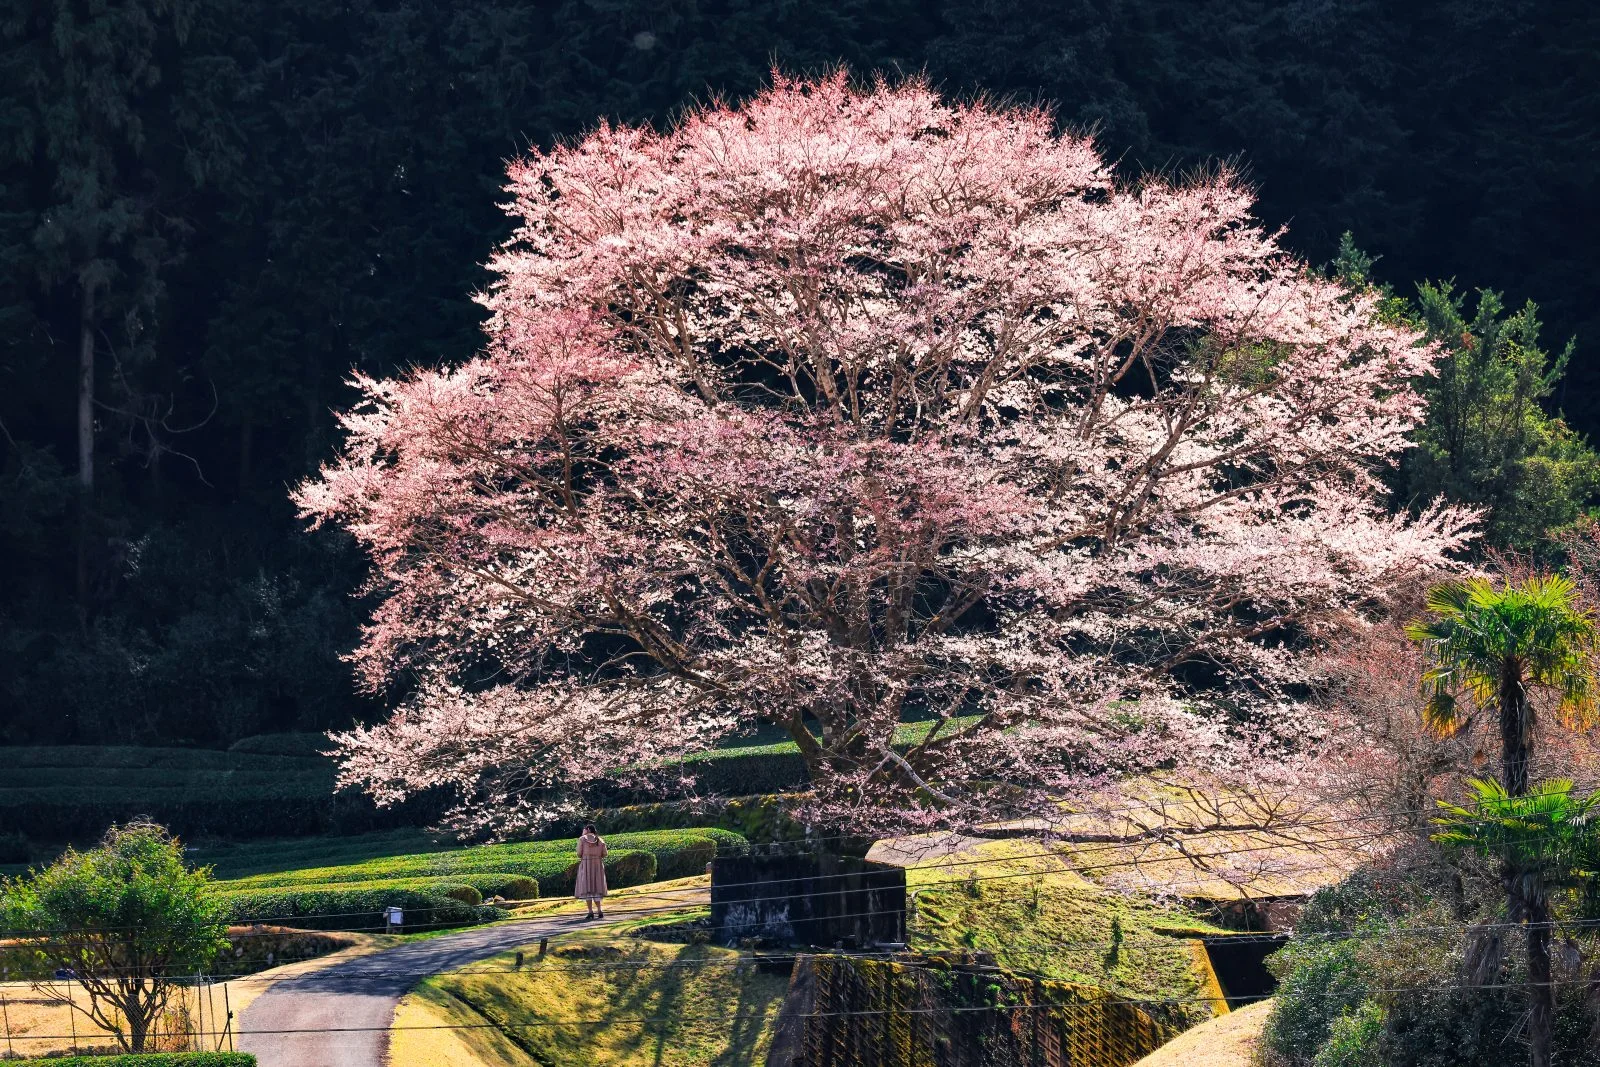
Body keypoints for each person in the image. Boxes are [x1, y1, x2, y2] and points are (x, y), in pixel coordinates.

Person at [574, 823, 609, 920]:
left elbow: (579, 853)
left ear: (588, 829)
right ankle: (599, 910)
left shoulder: (582, 839)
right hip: (597, 865)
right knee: (597, 887)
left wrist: (582, 835)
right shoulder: (600, 840)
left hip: (586, 865)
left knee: (587, 888)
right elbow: (605, 853)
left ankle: (590, 911)